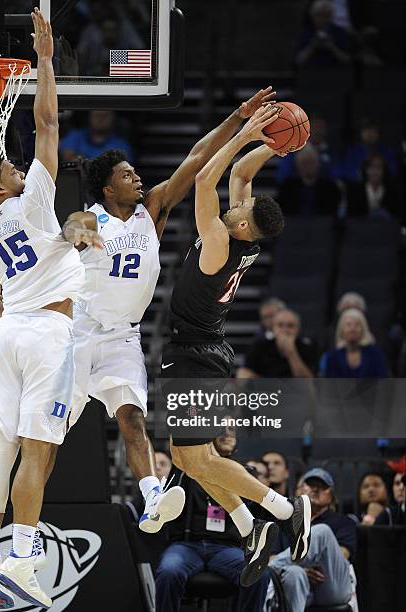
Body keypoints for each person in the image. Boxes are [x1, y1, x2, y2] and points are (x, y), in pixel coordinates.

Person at [61, 88, 278, 535]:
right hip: (77, 333)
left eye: (135, 171)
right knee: (49, 435)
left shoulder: (152, 209)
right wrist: (75, 235)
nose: (136, 178)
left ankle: (152, 499)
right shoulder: (87, 217)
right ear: (107, 187)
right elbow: (66, 234)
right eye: (126, 175)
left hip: (123, 335)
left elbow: (198, 159)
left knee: (133, 418)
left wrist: (238, 116)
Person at [0, 9, 102, 609]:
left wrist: (12, 313)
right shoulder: (32, 201)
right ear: (0, 187)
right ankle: (22, 561)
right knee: (38, 449)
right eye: (9, 168)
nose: (18, 167)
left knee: (1, 449)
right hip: (48, 331)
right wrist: (45, 61)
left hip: (9, 335)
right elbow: (47, 120)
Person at [160, 115, 311, 588]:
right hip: (202, 350)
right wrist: (275, 147)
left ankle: (285, 510)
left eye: (237, 208)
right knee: (184, 458)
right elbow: (240, 175)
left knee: (199, 460)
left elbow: (207, 176)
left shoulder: (219, 241)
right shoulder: (244, 237)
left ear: (242, 223)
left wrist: (245, 135)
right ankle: (251, 528)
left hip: (195, 354)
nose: (232, 204)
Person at [156, 444, 270, 612]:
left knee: (258, 573)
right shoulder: (188, 467)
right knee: (169, 571)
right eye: (221, 427)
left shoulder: (242, 471)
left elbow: (252, 504)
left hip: (226, 548)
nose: (226, 433)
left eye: (231, 428)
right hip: (187, 546)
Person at [269, 468, 356, 611]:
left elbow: (341, 556)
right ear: (299, 491)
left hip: (330, 585)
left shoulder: (343, 522)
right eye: (310, 485)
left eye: (322, 486)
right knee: (294, 573)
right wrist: (301, 569)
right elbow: (272, 557)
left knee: (322, 531)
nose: (315, 489)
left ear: (332, 496)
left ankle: (266, 570)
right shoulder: (283, 523)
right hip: (296, 586)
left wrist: (281, 564)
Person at [239, 308, 317, 379]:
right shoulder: (259, 345)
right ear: (273, 328)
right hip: (266, 391)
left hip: (295, 392)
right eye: (280, 325)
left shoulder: (307, 347)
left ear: (297, 329)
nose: (285, 330)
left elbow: (307, 380)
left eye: (290, 326)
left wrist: (291, 352)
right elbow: (244, 372)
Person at [320, 308, 388, 377]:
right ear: (341, 330)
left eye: (357, 325)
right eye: (348, 325)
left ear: (363, 329)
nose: (352, 329)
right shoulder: (332, 357)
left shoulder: (375, 354)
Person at [277, 144, 342, 216]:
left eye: (311, 162)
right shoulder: (287, 188)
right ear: (297, 166)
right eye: (304, 162)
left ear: (318, 164)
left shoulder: (330, 187)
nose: (308, 166)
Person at [295, 0, 353, 67]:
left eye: (326, 15)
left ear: (332, 16)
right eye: (319, 15)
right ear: (312, 15)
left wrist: (332, 47)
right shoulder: (306, 32)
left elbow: (348, 60)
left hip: (335, 72)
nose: (322, 19)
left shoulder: (340, 32)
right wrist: (312, 47)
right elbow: (297, 61)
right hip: (311, 73)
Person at [60, 110, 133, 162]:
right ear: (89, 117)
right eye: (97, 115)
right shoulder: (75, 136)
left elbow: (124, 170)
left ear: (113, 118)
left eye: (105, 116)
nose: (100, 119)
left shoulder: (121, 145)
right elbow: (68, 161)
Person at [347, 154, 399, 220]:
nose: (375, 171)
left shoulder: (392, 192)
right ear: (366, 170)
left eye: (379, 167)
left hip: (385, 228)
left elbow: (397, 216)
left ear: (384, 171)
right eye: (371, 167)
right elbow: (351, 216)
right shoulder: (354, 191)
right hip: (361, 228)